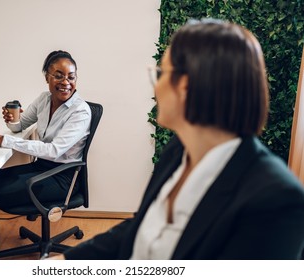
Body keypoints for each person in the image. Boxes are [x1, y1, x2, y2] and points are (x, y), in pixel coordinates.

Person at [49, 19, 304, 260]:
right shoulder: (179, 150)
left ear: (186, 87)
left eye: (160, 74)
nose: (155, 87)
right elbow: (142, 226)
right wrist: (66, 260)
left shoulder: (276, 200)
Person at [0, 50, 91, 226]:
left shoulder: (80, 111)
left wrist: (1, 140)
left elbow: (54, 151)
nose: (66, 82)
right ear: (47, 77)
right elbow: (20, 126)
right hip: (41, 167)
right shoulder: (44, 99)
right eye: (59, 76)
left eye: (71, 77)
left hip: (62, 178)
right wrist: (12, 119)